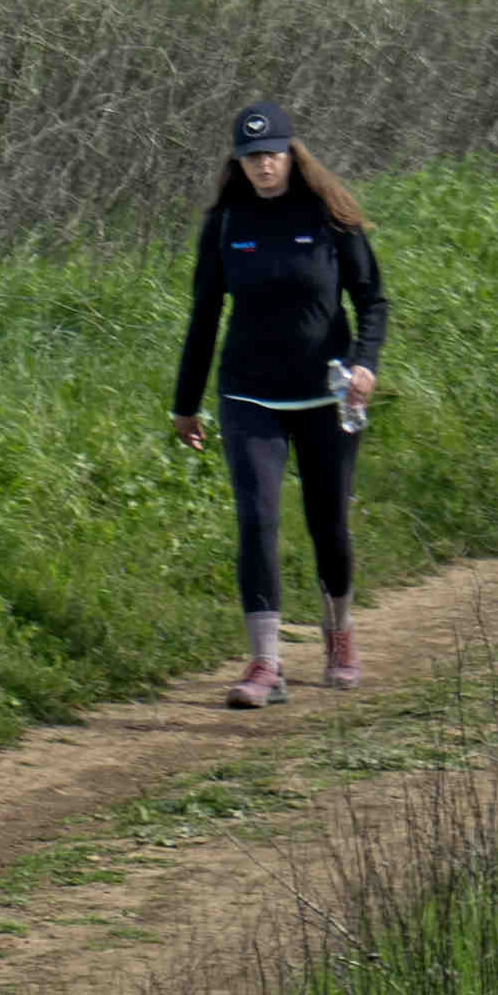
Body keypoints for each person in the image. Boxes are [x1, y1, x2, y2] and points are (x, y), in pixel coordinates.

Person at [164, 107, 384, 706]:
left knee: (327, 523)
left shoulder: (331, 216)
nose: (263, 165)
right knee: (257, 519)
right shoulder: (226, 222)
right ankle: (265, 664)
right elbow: (205, 314)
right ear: (238, 161)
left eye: (273, 154)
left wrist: (365, 363)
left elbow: (372, 300)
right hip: (247, 393)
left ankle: (339, 634)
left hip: (325, 393)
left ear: (292, 154)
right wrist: (186, 404)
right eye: (252, 156)